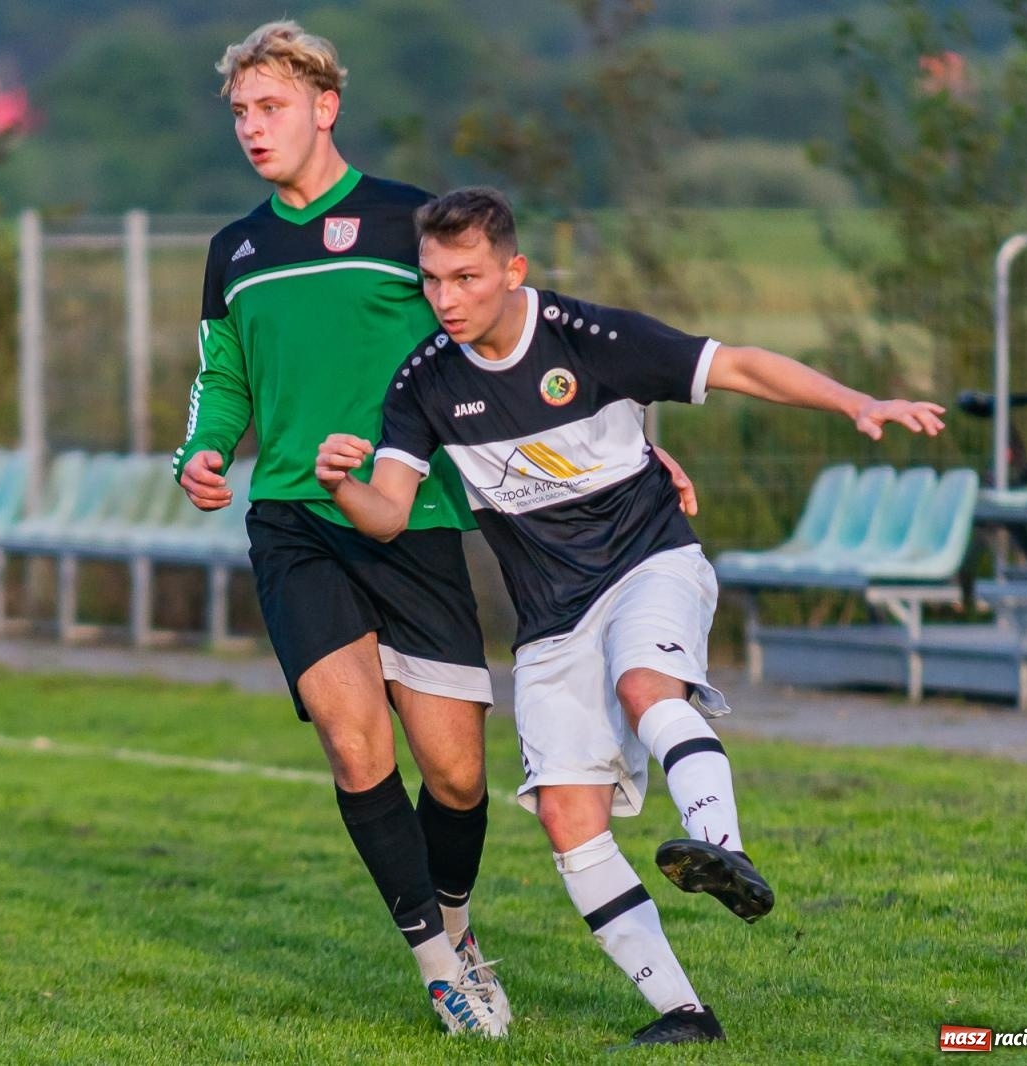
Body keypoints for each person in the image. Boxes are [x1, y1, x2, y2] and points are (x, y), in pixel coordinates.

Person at [314, 186, 945, 1048]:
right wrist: (338, 484)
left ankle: (723, 845)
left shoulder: (591, 340)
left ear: (513, 269)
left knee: (646, 682)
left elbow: (741, 365)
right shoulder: (425, 382)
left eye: (466, 278)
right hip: (548, 620)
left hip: (650, 564)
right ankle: (685, 1015)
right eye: (432, 281)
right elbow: (388, 512)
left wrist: (855, 403)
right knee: (570, 821)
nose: (448, 299)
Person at [176, 20, 701, 1039]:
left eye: (270, 106)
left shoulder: (409, 226)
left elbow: (511, 349)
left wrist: (623, 445)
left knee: (456, 773)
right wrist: (204, 447)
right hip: (293, 520)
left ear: (325, 107)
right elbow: (224, 374)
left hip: (413, 522)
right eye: (239, 111)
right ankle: (438, 964)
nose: (251, 126)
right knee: (350, 738)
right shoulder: (232, 251)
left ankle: (456, 925)